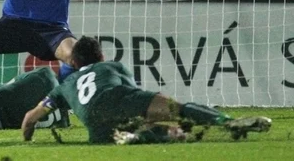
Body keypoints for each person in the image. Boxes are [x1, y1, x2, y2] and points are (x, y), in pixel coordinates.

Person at [21, 37, 272, 144]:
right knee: (177, 111)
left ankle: (133, 136)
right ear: (100, 55)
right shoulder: (111, 66)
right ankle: (227, 122)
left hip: (95, 126)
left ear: (74, 64)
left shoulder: (65, 85)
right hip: (118, 100)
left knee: (134, 130)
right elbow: (134, 98)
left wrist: (27, 140)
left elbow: (29, 120)